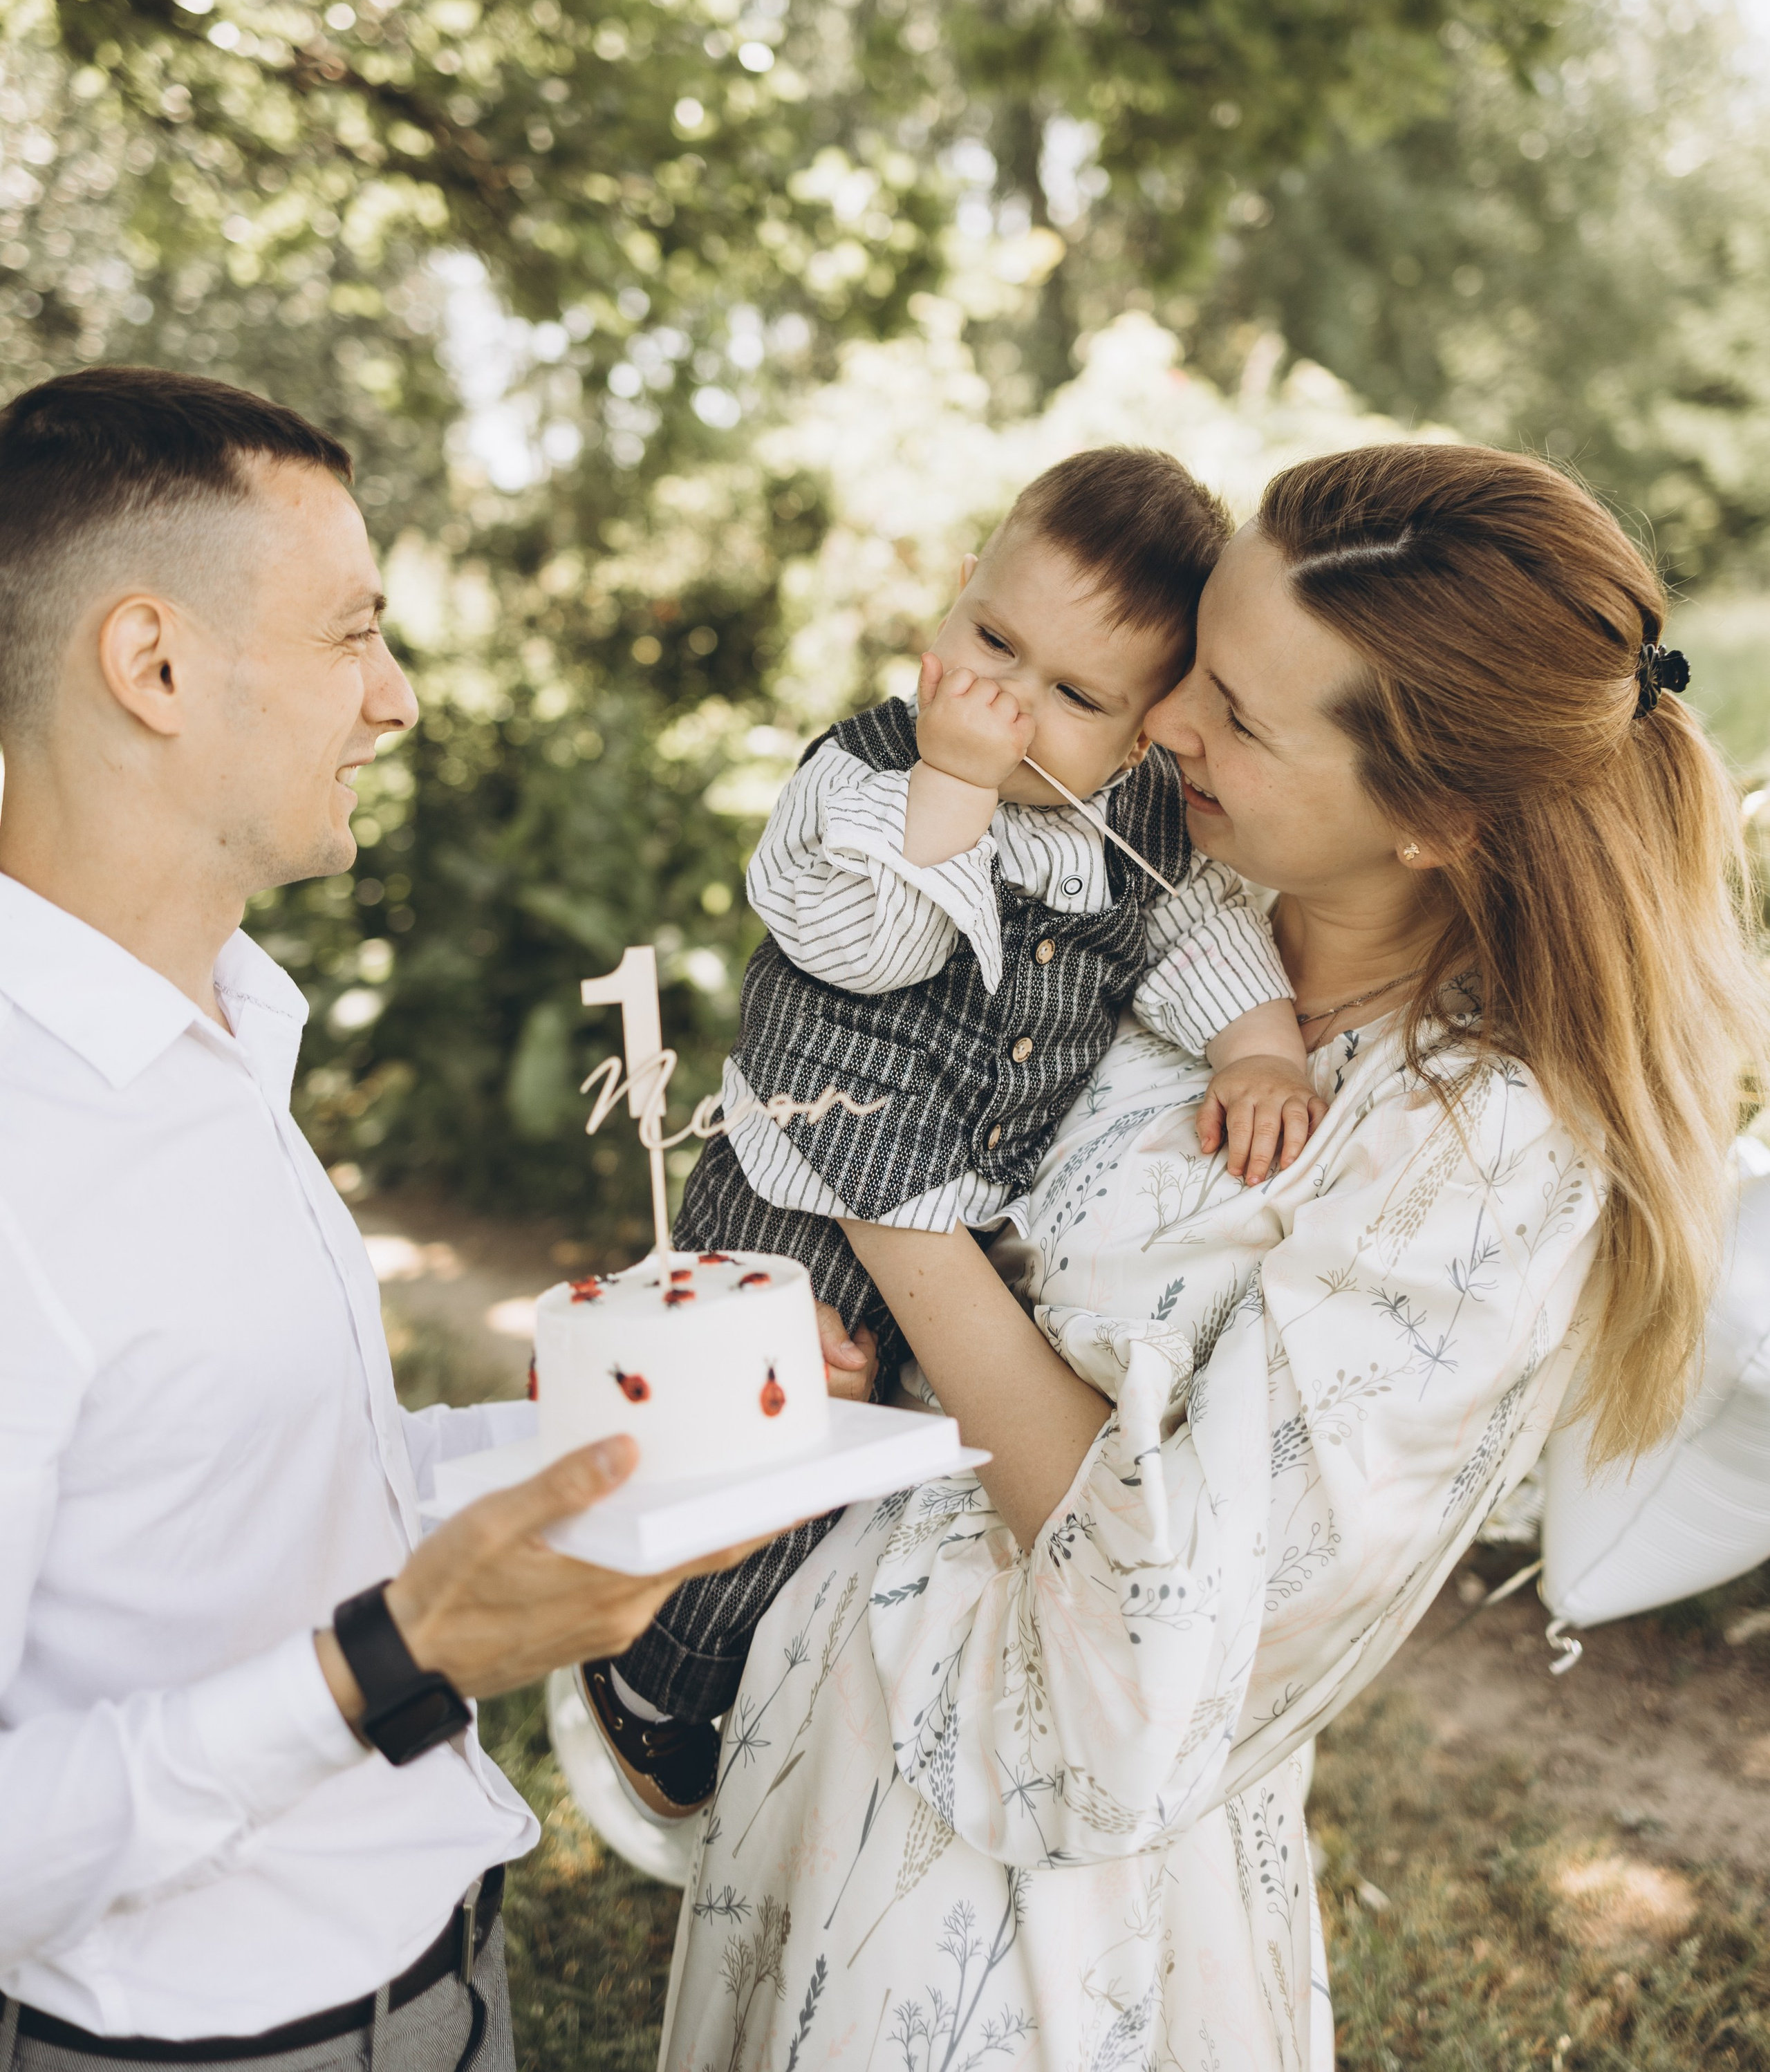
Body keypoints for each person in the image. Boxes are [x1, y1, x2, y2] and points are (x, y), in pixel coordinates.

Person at [661, 440, 1770, 2072]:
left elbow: (1149, 1622)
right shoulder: (1161, 928)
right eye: (1190, 667)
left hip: (1033, 1905)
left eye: (1236, 715)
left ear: (1433, 819)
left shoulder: (1477, 1152)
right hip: (824, 1748)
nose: (1161, 722)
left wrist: (880, 1207)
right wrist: (833, 1365)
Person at [0, 368, 868, 2072]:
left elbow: (263, 1495)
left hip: (446, 1985)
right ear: (154, 664)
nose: (394, 701)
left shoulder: (216, 1028)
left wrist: (627, 1421)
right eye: (351, 633)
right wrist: (390, 1665)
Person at [585, 448, 1325, 1822]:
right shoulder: (865, 778)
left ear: (1140, 726)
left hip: (976, 1198)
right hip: (797, 1189)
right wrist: (954, 790)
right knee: (761, 1440)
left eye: (1072, 694)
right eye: (991, 641)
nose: (1003, 702)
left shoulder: (1134, 827)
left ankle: (784, 1680)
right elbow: (859, 948)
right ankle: (654, 1670)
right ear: (951, 602)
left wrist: (1259, 1046)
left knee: (886, 1463)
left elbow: (1191, 937)